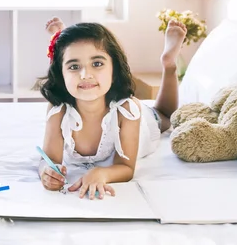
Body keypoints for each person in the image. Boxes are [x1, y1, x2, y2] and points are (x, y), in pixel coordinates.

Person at [38, 16, 186, 200]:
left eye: (97, 64)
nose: (85, 75)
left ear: (114, 70)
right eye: (74, 66)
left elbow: (126, 167)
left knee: (165, 116)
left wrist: (102, 173)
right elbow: (48, 159)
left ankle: (169, 65)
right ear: (62, 74)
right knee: (71, 56)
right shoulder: (58, 109)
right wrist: (47, 172)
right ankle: (60, 39)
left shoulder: (127, 110)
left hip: (143, 119)